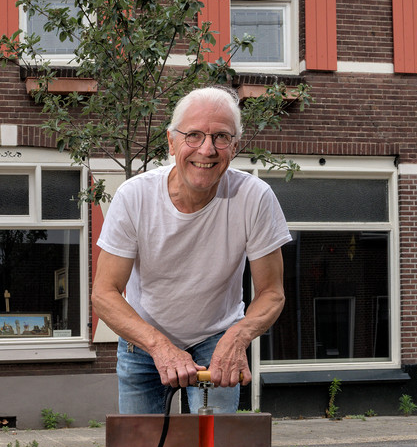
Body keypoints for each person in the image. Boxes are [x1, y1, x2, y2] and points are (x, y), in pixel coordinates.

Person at [92, 86, 291, 413]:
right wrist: (159, 346)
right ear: (171, 142)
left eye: (221, 137)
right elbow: (104, 293)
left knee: (213, 442)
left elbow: (272, 292)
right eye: (193, 135)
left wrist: (237, 337)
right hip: (143, 339)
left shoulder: (255, 198)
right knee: (141, 443)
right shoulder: (134, 197)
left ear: (235, 147)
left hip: (217, 339)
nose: (207, 149)